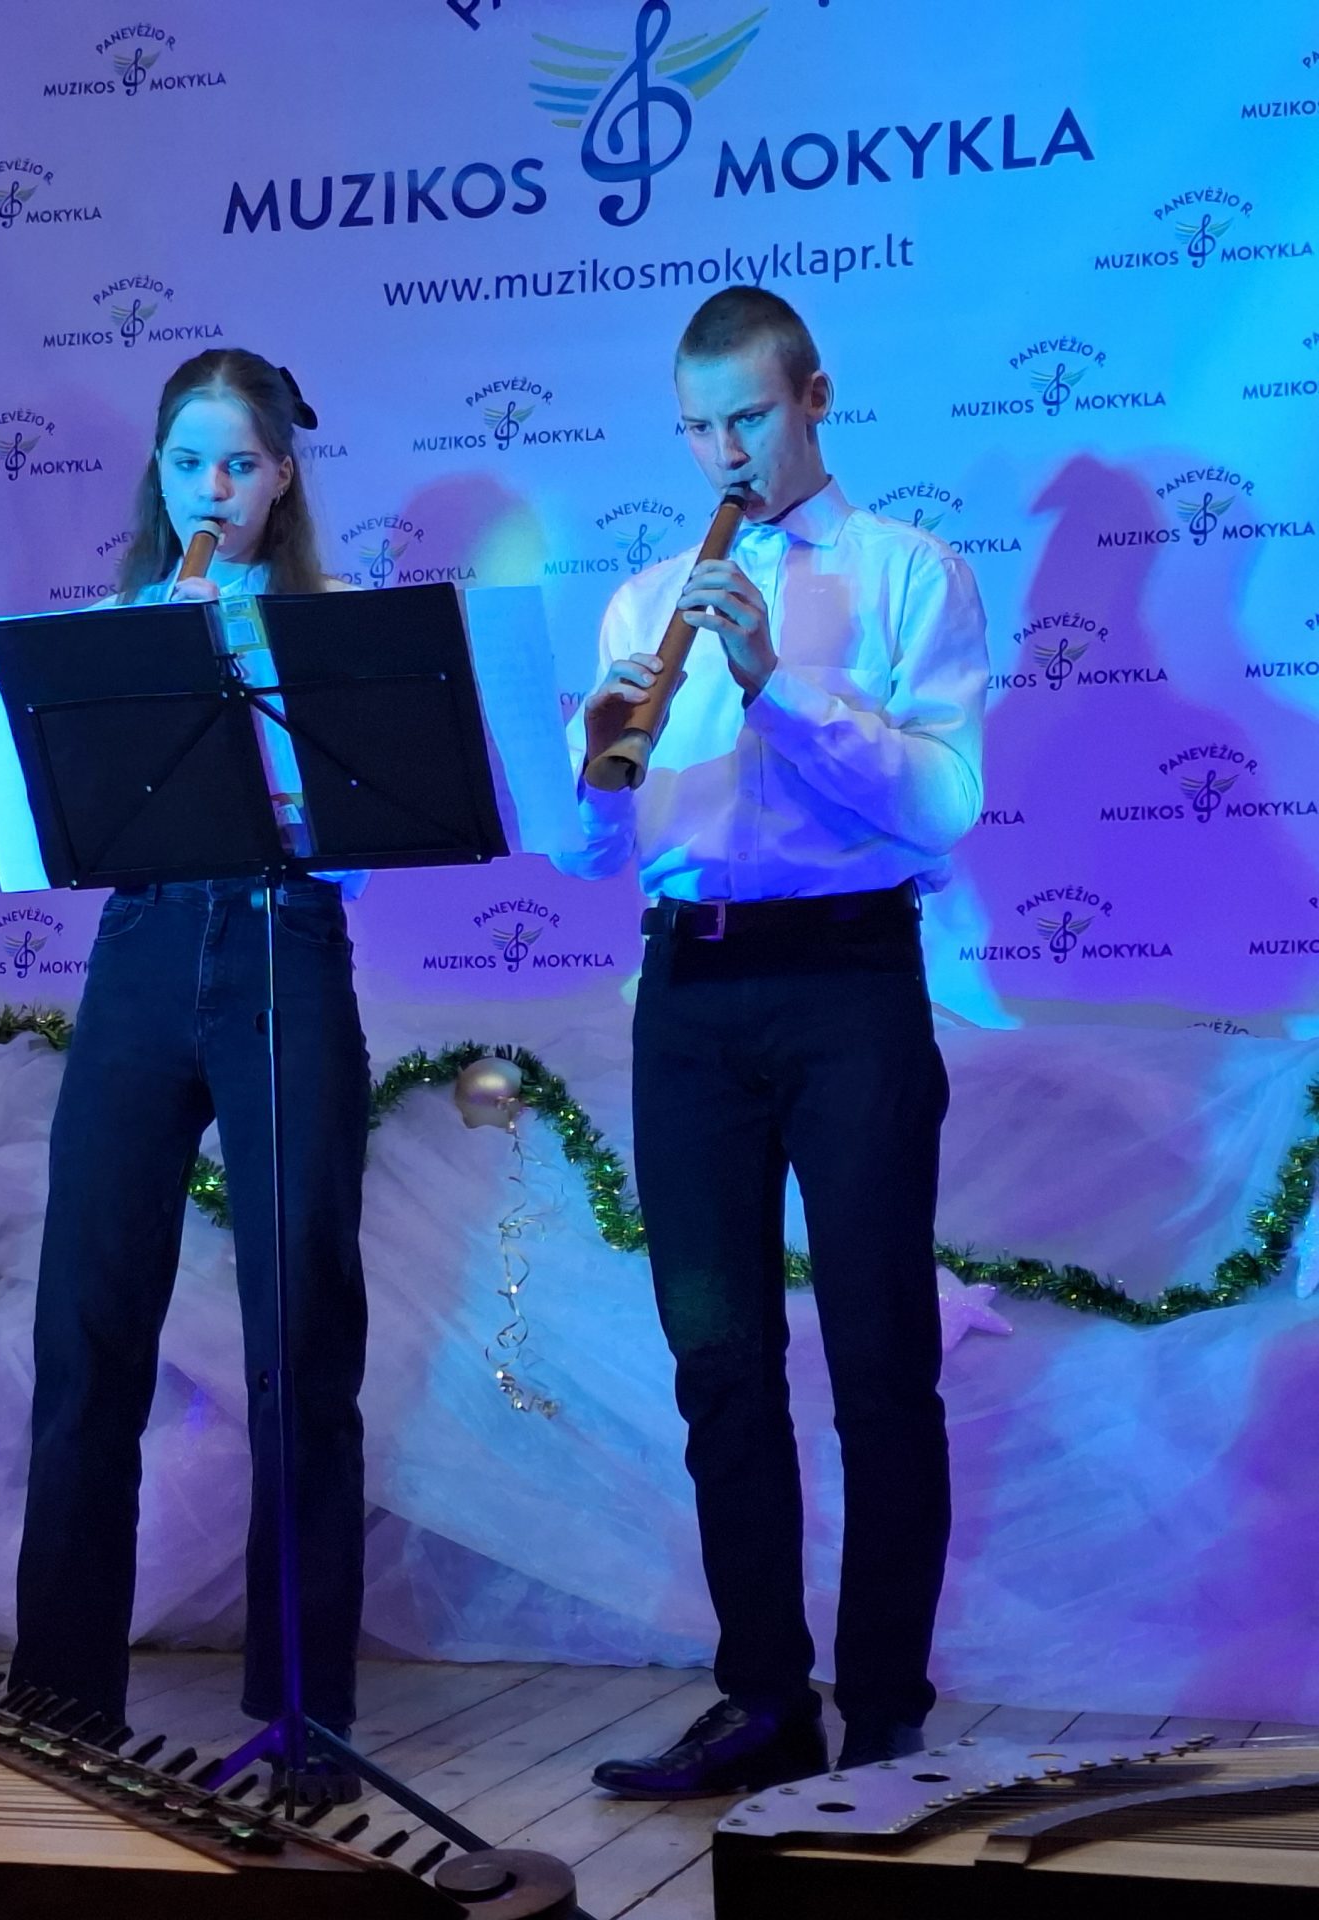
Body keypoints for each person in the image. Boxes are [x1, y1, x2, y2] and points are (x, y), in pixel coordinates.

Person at [560, 287, 987, 1797]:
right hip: (687, 990)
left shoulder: (909, 573)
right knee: (718, 1363)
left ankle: (884, 1711)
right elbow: (592, 849)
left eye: (746, 415)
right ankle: (760, 1700)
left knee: (880, 1358)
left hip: (849, 980)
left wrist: (774, 688)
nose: (722, 452)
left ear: (814, 397)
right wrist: (592, 764)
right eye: (697, 426)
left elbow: (943, 804)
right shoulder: (642, 600)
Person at [8, 348, 371, 1790]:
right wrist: (151, 670)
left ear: (281, 476)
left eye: (234, 463)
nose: (207, 489)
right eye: (183, 463)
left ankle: (306, 1711)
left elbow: (362, 832)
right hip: (144, 949)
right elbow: (63, 828)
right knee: (88, 1324)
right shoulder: (116, 624)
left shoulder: (329, 627)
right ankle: (61, 1689)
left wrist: (242, 684)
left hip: (283, 940)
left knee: (302, 1333)